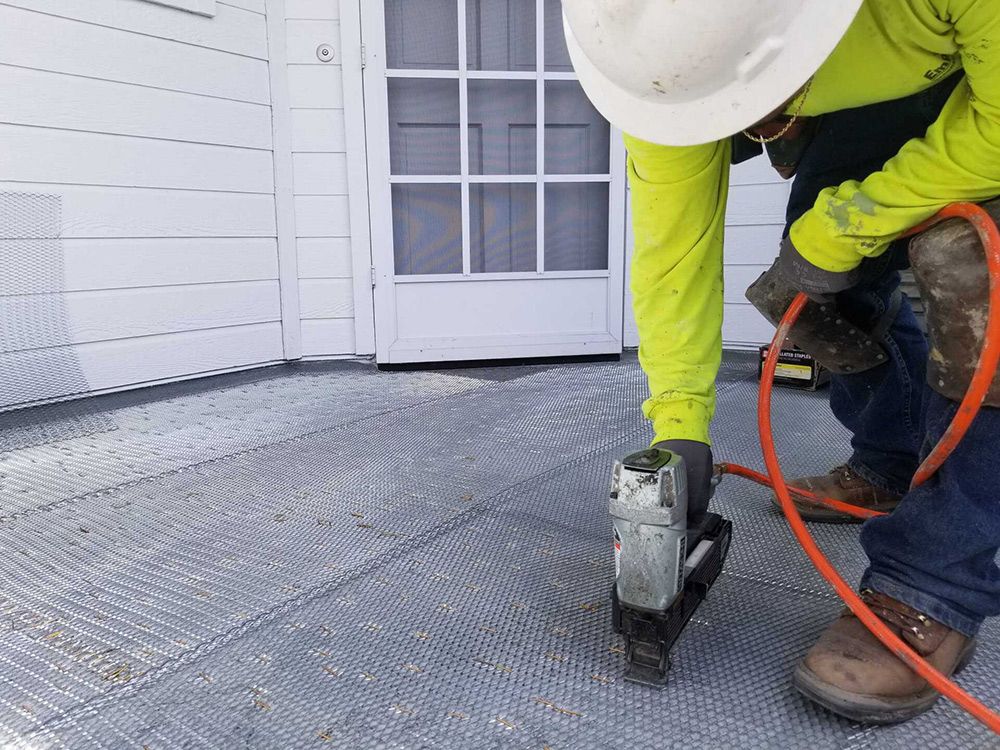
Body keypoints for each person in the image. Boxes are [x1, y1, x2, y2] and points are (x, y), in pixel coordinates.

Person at [563, 0, 1000, 724]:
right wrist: (679, 422)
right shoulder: (647, 56)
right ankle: (891, 464)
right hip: (877, 80)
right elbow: (674, 257)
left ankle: (932, 588)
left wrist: (846, 225)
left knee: (970, 274)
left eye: (759, 108)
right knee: (811, 292)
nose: (757, 133)